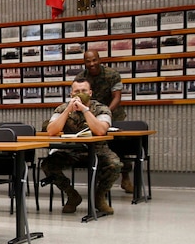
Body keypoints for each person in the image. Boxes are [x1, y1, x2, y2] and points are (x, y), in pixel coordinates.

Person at [41, 78, 122, 215]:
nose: (80, 94)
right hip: (71, 151)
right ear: (71, 94)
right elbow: (51, 131)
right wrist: (67, 111)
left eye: (84, 91)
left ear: (90, 93)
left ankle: (99, 197)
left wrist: (85, 110)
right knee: (48, 164)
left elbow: (101, 130)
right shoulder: (62, 108)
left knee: (115, 164)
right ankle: (72, 195)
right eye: (77, 91)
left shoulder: (102, 109)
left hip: (97, 151)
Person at [76, 49, 133, 193]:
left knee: (120, 146)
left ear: (99, 60)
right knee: (98, 147)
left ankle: (125, 177)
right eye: (88, 61)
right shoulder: (81, 77)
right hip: (90, 115)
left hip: (114, 115)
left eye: (94, 60)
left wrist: (104, 112)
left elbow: (117, 97)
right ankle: (100, 181)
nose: (92, 64)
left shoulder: (112, 74)